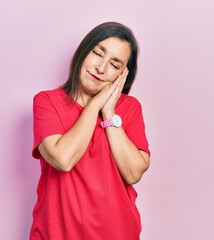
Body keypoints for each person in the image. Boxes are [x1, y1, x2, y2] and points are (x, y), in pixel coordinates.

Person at [30, 22, 151, 240]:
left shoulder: (130, 108)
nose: (101, 68)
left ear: (123, 76)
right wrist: (94, 105)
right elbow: (63, 159)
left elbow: (134, 173)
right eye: (97, 53)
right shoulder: (46, 101)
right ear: (83, 51)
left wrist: (109, 112)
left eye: (114, 65)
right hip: (56, 234)